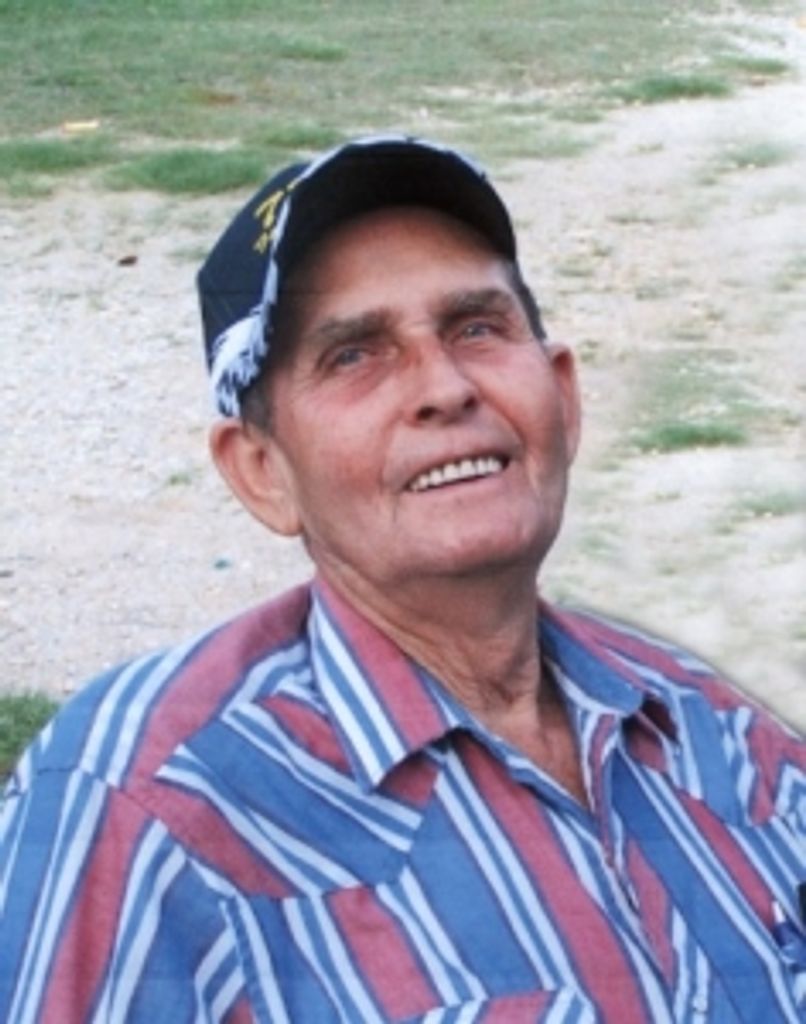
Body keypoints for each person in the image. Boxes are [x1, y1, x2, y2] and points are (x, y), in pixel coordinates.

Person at [1, 134, 804, 1024]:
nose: (445, 387)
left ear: (564, 398)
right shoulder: (144, 800)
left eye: (477, 327)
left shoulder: (720, 738)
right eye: (354, 354)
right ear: (263, 472)